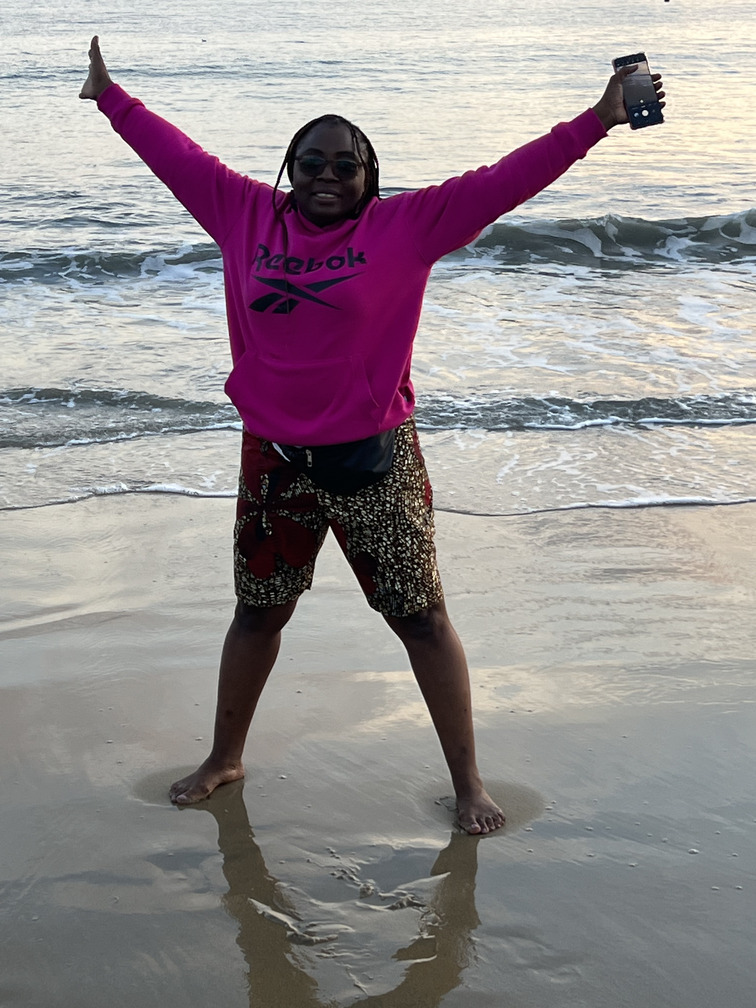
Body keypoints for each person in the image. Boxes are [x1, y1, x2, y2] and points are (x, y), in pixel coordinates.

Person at [80, 37, 664, 835]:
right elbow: (176, 155)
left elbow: (504, 180)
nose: (327, 176)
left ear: (368, 175)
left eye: (344, 166)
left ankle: (468, 784)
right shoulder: (243, 213)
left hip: (375, 459)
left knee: (420, 619)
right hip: (274, 460)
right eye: (312, 164)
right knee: (258, 614)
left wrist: (597, 119)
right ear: (291, 170)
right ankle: (224, 757)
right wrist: (111, 96)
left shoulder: (406, 226)